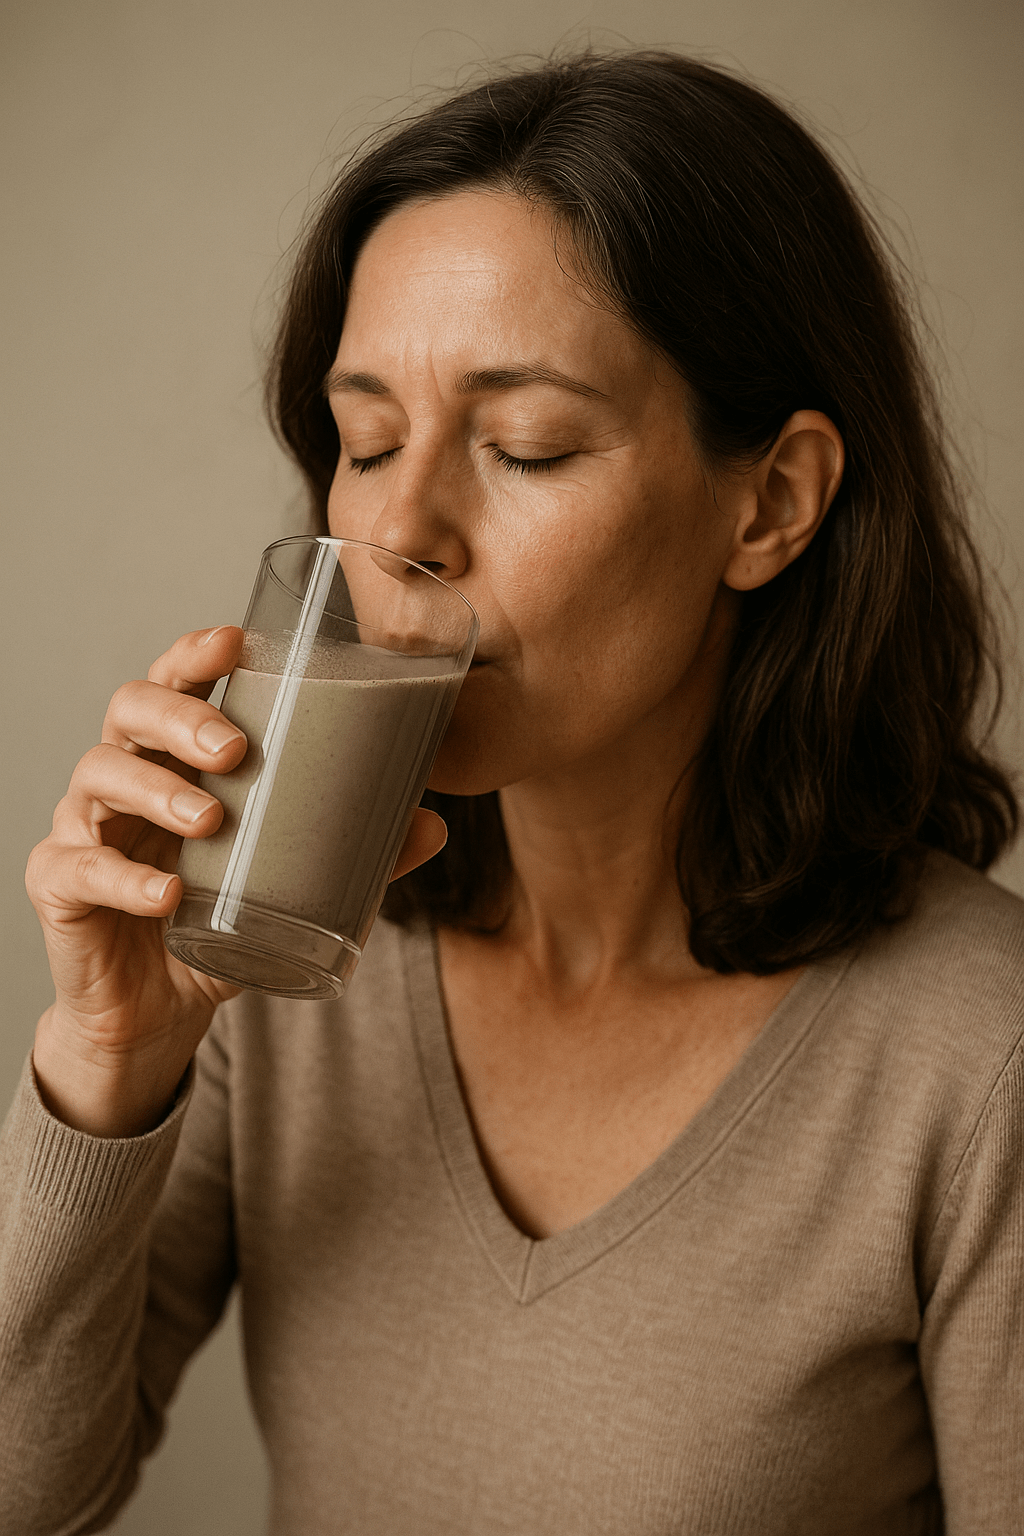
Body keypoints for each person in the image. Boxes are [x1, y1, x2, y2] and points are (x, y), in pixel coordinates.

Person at [1, 49, 1021, 1536]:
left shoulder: (978, 1065)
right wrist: (105, 1068)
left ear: (774, 504)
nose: (402, 530)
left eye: (524, 444)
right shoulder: (282, 966)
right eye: (365, 442)